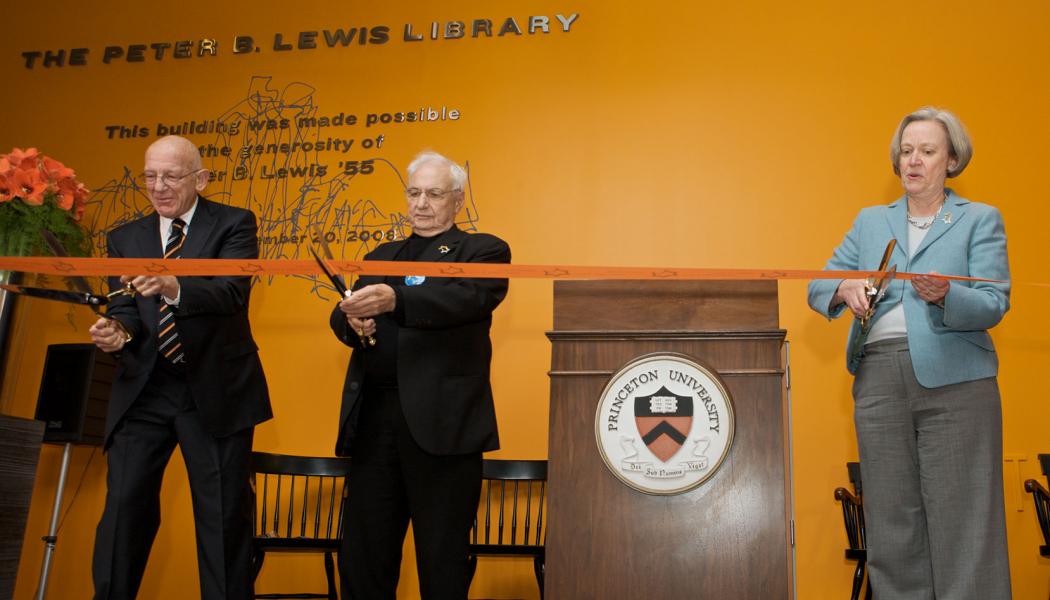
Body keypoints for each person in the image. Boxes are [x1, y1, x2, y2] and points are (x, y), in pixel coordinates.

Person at [808, 108, 1011, 599]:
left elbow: (994, 301)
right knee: (891, 516)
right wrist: (846, 288)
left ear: (952, 160)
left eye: (926, 150)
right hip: (879, 379)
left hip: (958, 381)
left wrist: (947, 295)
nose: (913, 160)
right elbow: (817, 284)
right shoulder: (871, 220)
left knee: (965, 518)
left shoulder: (978, 219)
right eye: (905, 151)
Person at [88, 135, 272, 599]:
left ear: (201, 178)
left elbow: (231, 293)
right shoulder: (125, 237)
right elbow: (126, 309)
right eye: (150, 176)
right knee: (123, 511)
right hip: (144, 389)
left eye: (171, 176)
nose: (158, 186)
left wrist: (173, 286)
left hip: (213, 389)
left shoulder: (234, 224)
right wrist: (118, 334)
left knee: (222, 517)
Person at [329, 151, 510, 599]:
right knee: (364, 555)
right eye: (414, 193)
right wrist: (350, 321)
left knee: (442, 558)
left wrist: (395, 301)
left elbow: (463, 300)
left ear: (458, 201)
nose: (422, 204)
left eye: (434, 194)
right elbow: (343, 311)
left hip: (443, 426)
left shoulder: (484, 249)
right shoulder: (381, 254)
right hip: (374, 422)